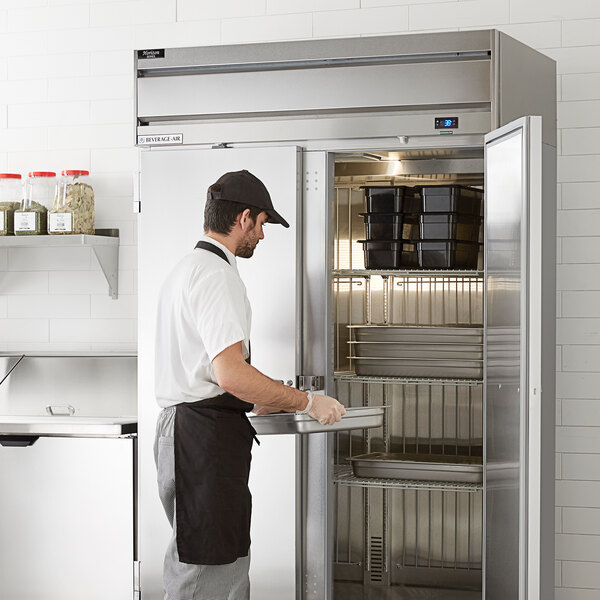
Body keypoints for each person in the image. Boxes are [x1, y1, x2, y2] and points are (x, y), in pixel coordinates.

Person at [153, 169, 345, 600]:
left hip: (191, 433)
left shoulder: (190, 268)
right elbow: (230, 373)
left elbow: (218, 371)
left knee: (218, 566)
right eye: (262, 224)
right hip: (202, 440)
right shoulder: (216, 276)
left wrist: (264, 395)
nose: (262, 235)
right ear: (243, 219)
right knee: (208, 574)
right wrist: (308, 401)